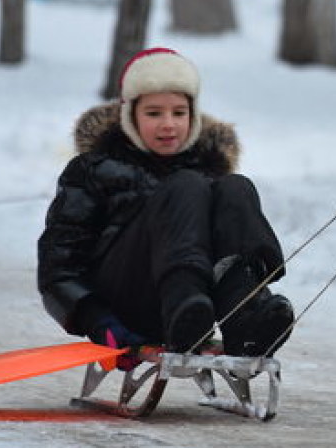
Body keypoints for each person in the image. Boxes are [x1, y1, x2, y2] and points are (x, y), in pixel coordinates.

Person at [38, 47, 295, 361]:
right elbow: (58, 265)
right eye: (153, 113)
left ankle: (244, 316)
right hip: (127, 301)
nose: (168, 124)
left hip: (199, 310)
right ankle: (183, 303)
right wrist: (98, 321)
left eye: (179, 112)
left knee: (235, 187)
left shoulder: (211, 172)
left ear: (193, 115)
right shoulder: (93, 170)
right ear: (130, 115)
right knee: (186, 186)